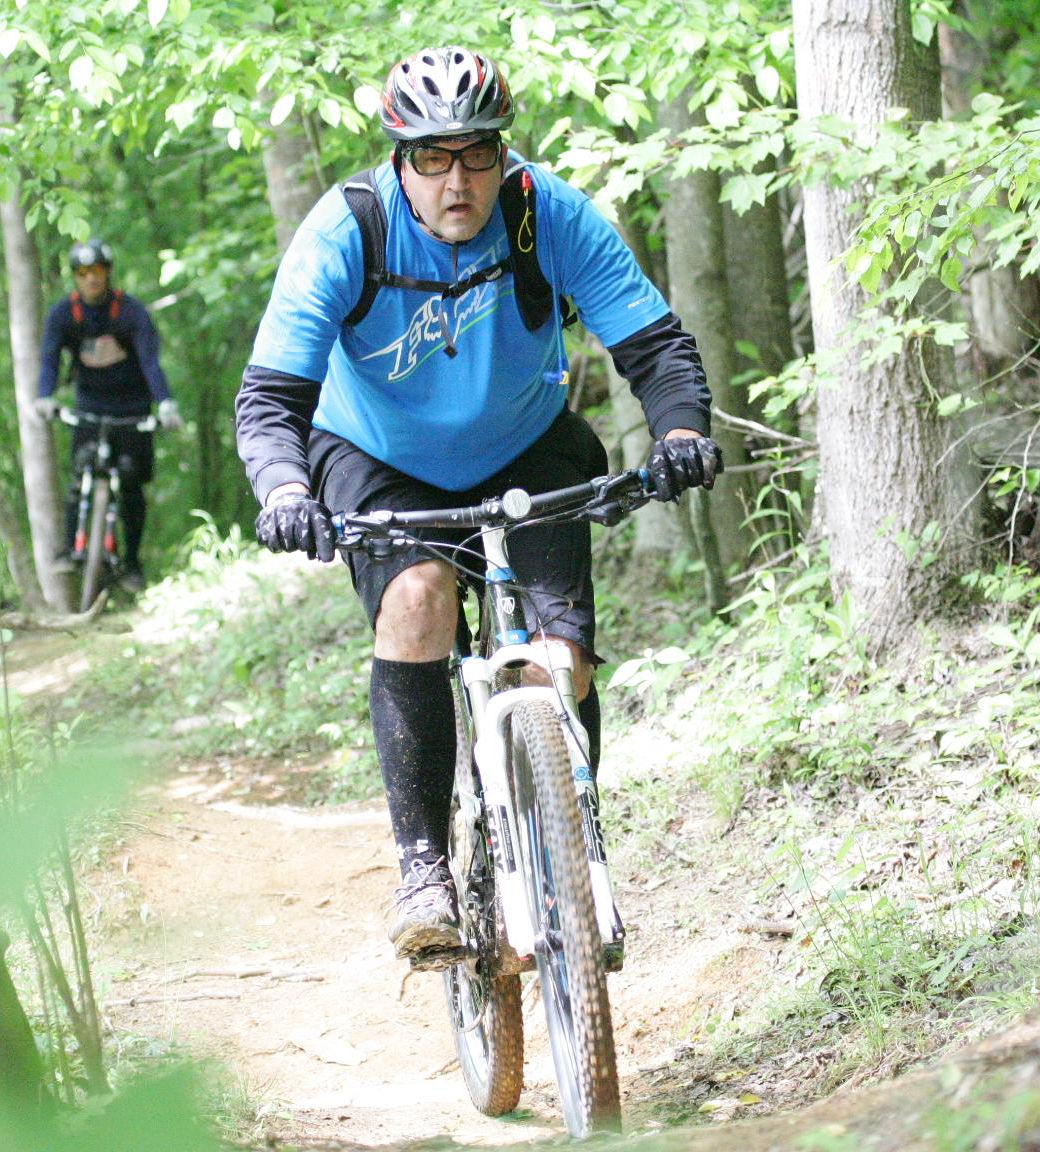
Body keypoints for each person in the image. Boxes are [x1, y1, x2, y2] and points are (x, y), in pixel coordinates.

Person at [235, 47, 721, 966]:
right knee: (417, 598)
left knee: (560, 656)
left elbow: (653, 343)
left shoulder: (547, 212)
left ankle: (574, 840)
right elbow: (270, 397)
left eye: (477, 156)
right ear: (399, 158)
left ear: (504, 155)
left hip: (524, 444)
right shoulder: (351, 231)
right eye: (432, 158)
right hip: (379, 458)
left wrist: (681, 433)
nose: (457, 180)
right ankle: (423, 869)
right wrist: (286, 488)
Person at [35, 239, 183, 592]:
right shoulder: (63, 315)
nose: (91, 280)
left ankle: (132, 562)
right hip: (89, 407)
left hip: (133, 409)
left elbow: (150, 360)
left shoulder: (131, 313)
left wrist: (165, 403)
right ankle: (72, 549)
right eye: (83, 273)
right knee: (79, 478)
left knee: (131, 484)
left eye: (97, 271)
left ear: (108, 273)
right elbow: (50, 360)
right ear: (75, 277)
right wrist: (45, 397)